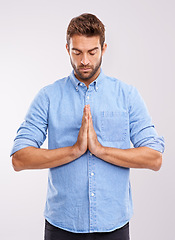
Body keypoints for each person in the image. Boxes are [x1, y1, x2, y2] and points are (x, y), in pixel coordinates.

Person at [11, 13, 165, 240]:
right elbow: (19, 159)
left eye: (92, 52)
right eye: (77, 52)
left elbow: (154, 159)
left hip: (114, 225)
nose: (84, 61)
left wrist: (100, 150)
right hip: (61, 226)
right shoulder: (48, 97)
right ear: (67, 49)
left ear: (103, 49)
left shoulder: (127, 95)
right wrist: (75, 150)